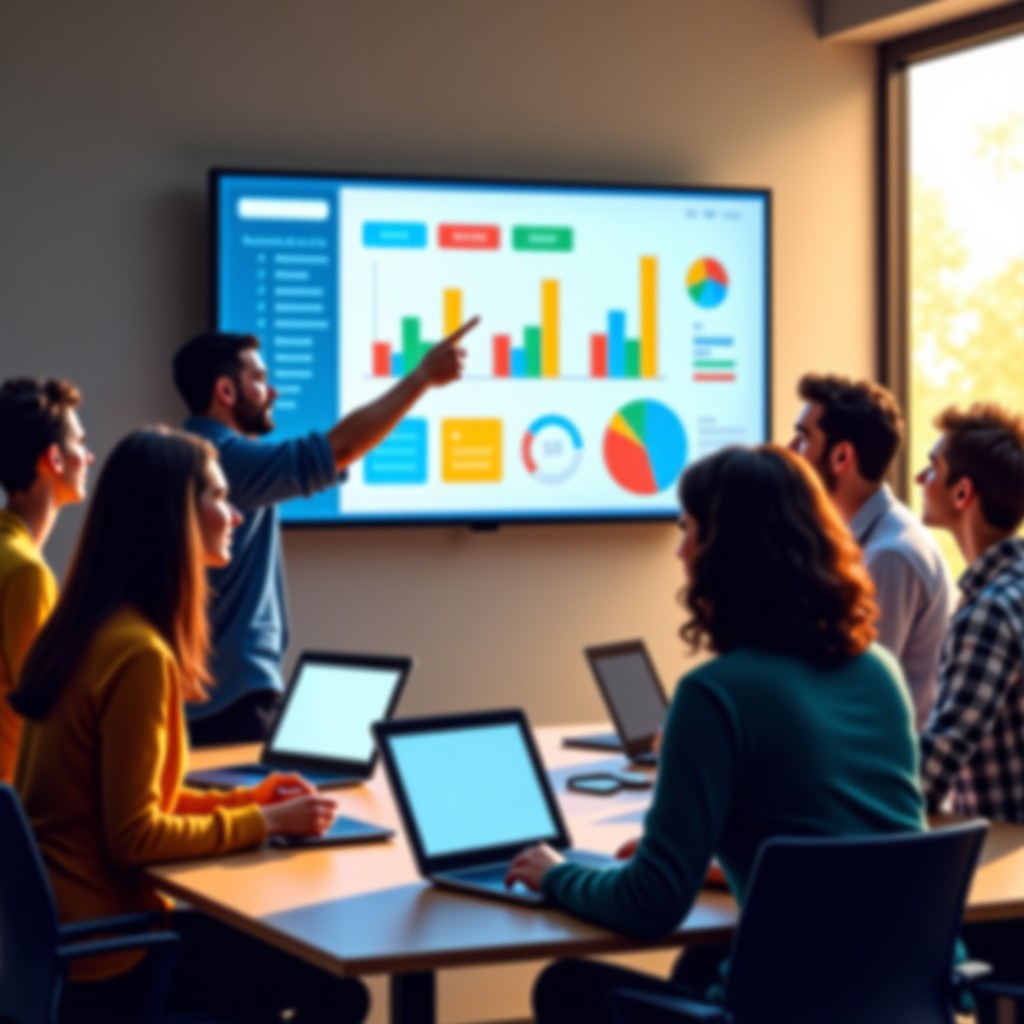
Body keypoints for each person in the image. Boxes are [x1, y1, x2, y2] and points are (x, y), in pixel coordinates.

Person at [506, 445, 926, 1024]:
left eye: (689, 531)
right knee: (700, 965)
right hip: (903, 1004)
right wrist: (721, 865)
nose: (679, 552)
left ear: (727, 554)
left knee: (566, 985)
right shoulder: (879, 670)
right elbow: (845, 842)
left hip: (785, 1010)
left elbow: (650, 903)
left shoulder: (714, 695)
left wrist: (557, 875)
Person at [12, 428, 368, 1024]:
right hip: (113, 959)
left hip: (54, 949)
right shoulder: (140, 654)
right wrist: (262, 822)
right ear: (175, 515)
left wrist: (254, 799)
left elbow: (129, 803)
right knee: (335, 987)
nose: (234, 515)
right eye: (220, 499)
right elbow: (136, 838)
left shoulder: (87, 630)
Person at [173, 319, 477, 745]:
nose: (273, 391)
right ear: (226, 391)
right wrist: (422, 377)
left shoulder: (183, 454)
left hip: (210, 699)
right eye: (259, 379)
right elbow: (339, 449)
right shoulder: (219, 460)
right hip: (230, 704)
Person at [916, 403, 1024, 1024]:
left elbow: (936, 764)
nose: (919, 482)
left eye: (930, 469)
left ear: (963, 491)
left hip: (1005, 906)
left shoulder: (988, 613)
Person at [790, 373, 954, 728]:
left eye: (803, 438)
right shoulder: (869, 539)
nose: (791, 451)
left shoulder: (888, 556)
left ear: (842, 456)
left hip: (881, 775)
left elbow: (854, 695)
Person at [0, 377, 93, 782]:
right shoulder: (27, 574)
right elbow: (45, 716)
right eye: (80, 444)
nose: (88, 457)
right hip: (19, 810)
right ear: (53, 459)